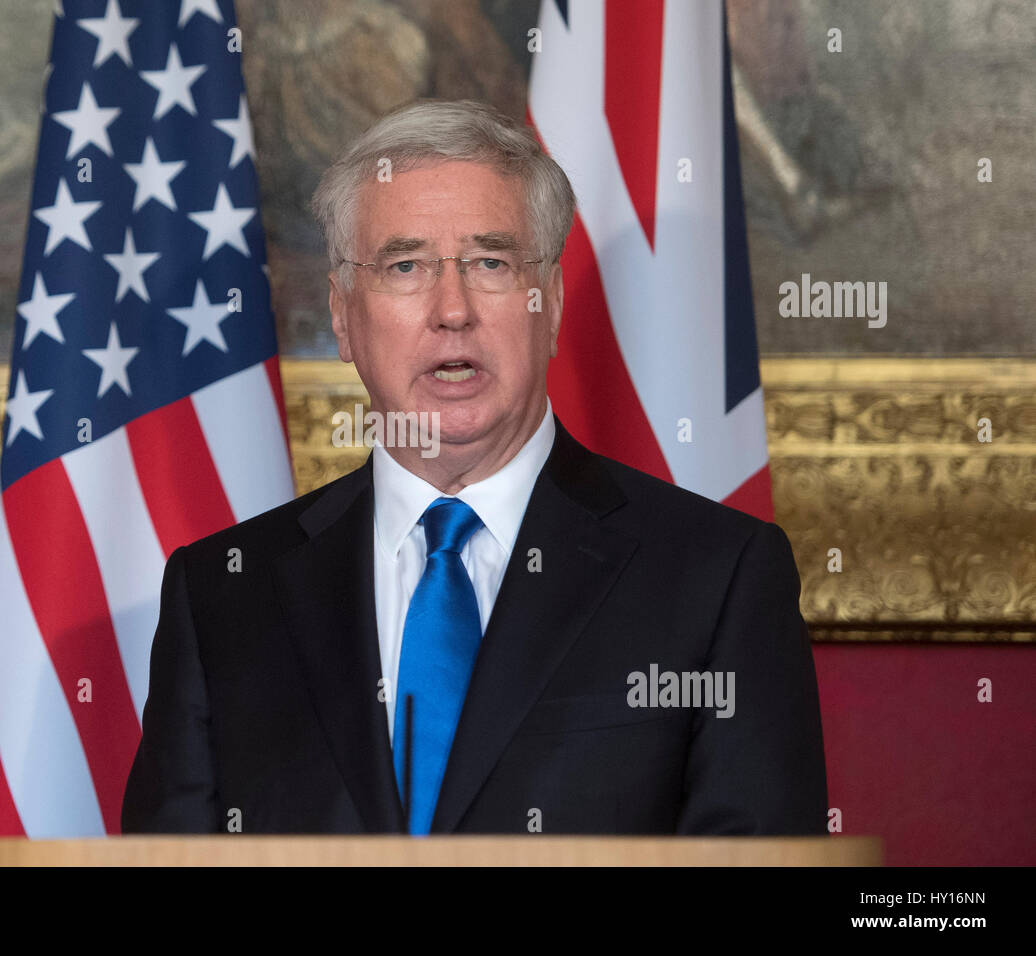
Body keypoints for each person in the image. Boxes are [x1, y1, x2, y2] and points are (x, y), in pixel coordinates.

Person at [122, 99, 827, 835]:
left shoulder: (717, 579)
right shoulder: (222, 594)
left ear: (548, 301)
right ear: (341, 313)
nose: (452, 309)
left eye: (491, 262)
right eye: (404, 266)